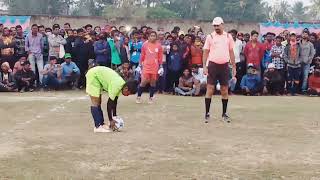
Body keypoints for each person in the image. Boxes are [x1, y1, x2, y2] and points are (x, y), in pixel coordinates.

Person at [85, 60, 138, 133]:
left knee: (99, 101)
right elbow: (109, 104)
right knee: (95, 102)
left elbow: (114, 102)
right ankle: (97, 126)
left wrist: (114, 116)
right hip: (93, 75)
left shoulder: (121, 85)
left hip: (98, 77)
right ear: (126, 88)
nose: (127, 95)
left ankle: (101, 124)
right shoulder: (117, 85)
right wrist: (111, 120)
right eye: (128, 93)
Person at [202, 17, 236, 123]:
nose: (216, 27)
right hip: (212, 65)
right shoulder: (210, 37)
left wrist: (234, 66)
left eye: (218, 25)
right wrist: (204, 65)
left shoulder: (228, 36)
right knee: (210, 89)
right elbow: (206, 52)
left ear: (222, 24)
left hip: (224, 66)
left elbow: (231, 52)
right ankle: (207, 113)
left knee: (224, 90)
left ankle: (224, 114)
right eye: (214, 26)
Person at [136, 31, 163, 104]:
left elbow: (160, 57)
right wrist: (139, 64)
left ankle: (151, 98)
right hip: (146, 66)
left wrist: (161, 66)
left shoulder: (159, 46)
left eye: (154, 36)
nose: (152, 37)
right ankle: (138, 96)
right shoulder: (145, 45)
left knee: (153, 82)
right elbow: (142, 55)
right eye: (151, 35)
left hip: (155, 66)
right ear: (149, 37)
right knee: (143, 82)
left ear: (156, 37)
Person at [284, 31, 301, 96]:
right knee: (289, 79)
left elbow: (301, 55)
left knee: (297, 79)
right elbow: (285, 55)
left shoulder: (299, 45)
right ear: (290, 37)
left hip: (297, 65)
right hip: (289, 65)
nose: (293, 37)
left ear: (296, 37)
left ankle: (294, 92)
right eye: (291, 36)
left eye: (294, 36)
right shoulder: (287, 45)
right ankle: (289, 92)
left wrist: (299, 61)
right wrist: (287, 61)